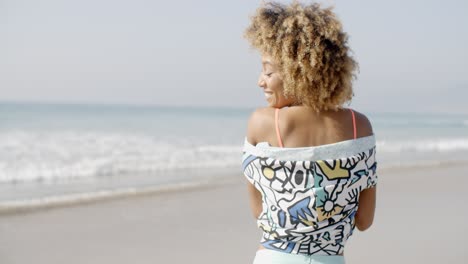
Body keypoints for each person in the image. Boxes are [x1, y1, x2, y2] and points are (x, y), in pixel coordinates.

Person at [241, 2, 378, 264]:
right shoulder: (359, 126)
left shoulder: (263, 122)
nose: (261, 80)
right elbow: (364, 221)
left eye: (268, 71)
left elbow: (259, 213)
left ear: (298, 70)